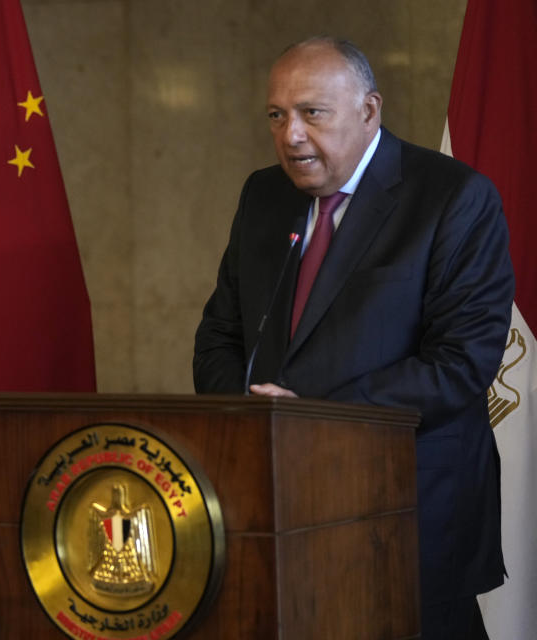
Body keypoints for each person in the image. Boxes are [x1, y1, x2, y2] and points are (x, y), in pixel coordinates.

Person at [193, 37, 512, 639]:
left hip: (405, 511)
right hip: (276, 509)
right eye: (276, 115)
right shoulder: (264, 196)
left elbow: (460, 364)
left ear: (369, 111)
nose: (290, 135)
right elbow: (220, 336)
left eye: (312, 113)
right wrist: (245, 414)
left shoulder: (452, 198)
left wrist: (312, 418)